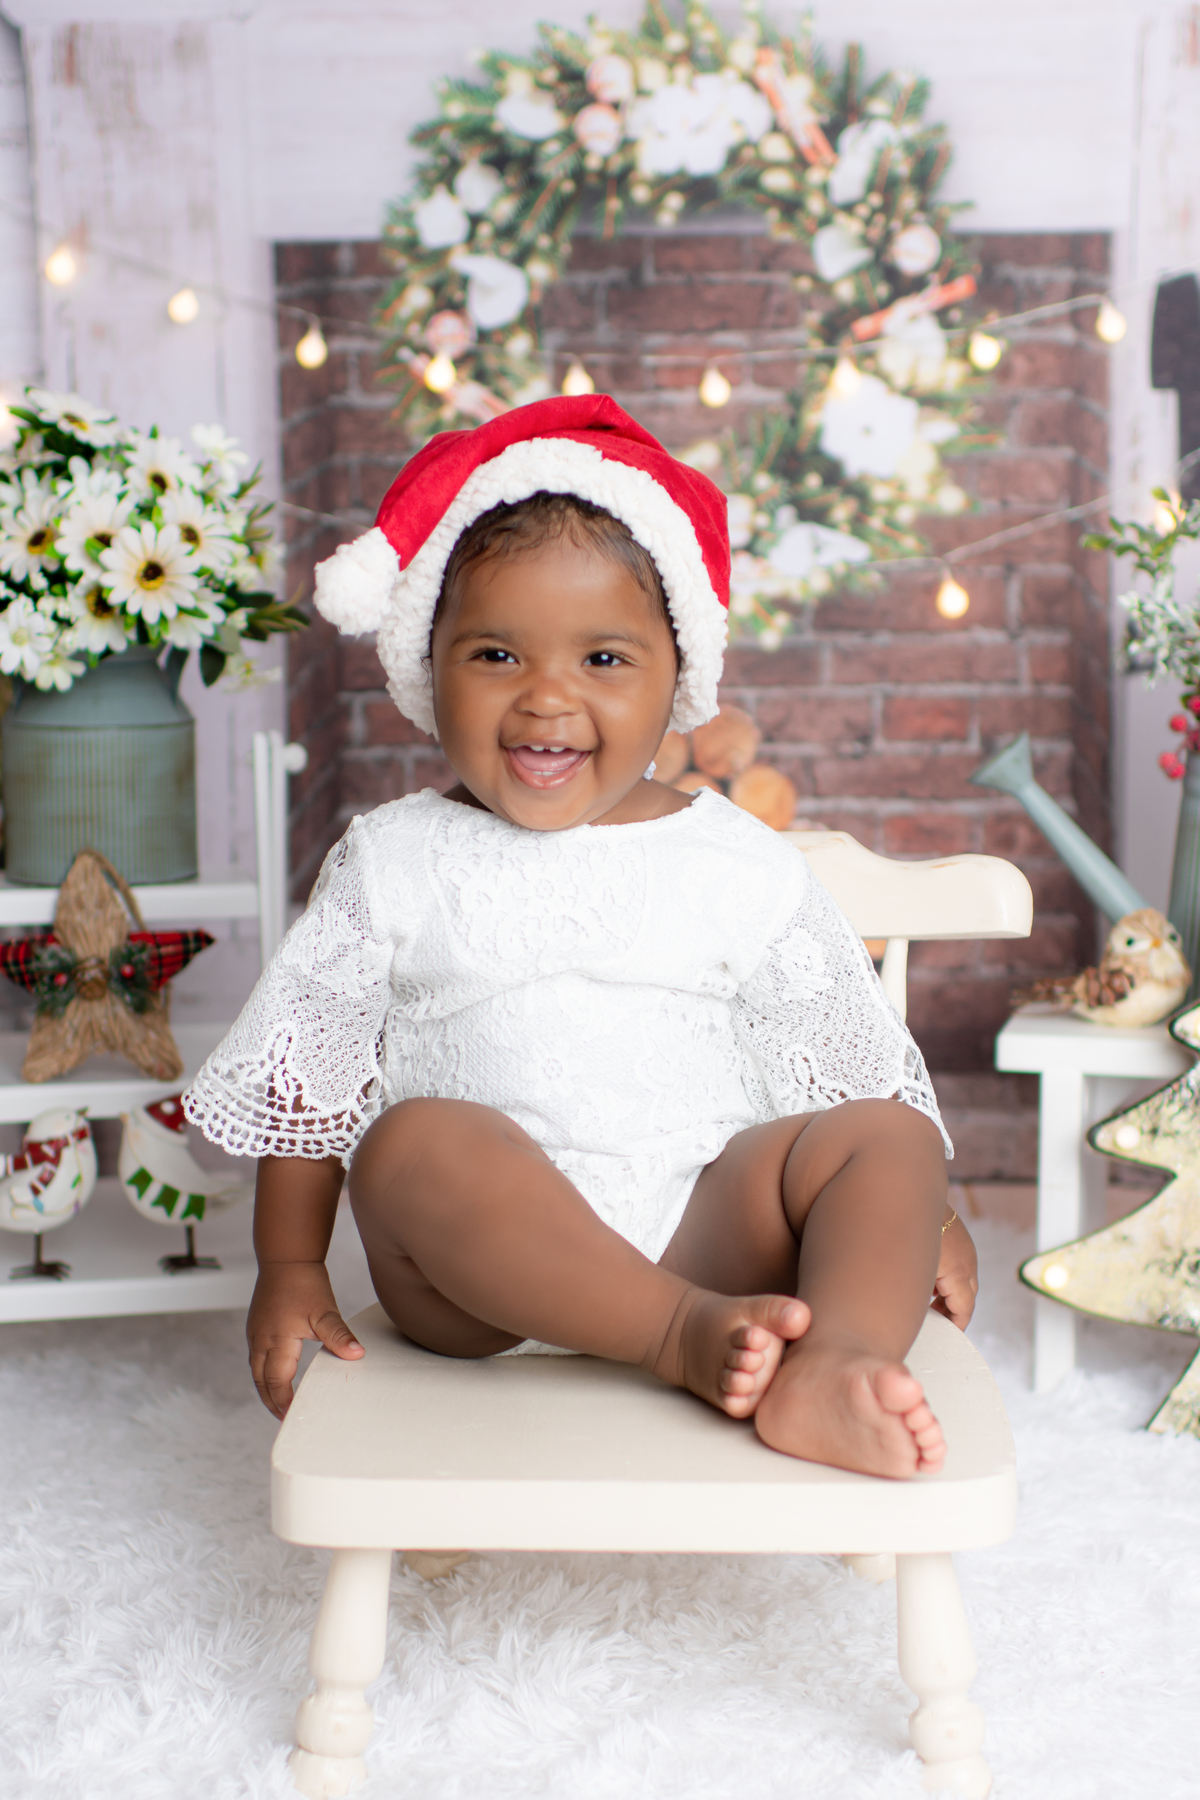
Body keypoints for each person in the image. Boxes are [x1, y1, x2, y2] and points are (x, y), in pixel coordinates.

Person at [185, 395, 977, 1480]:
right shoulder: (396, 856)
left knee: (886, 1131)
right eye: (498, 655)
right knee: (410, 1141)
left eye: (603, 660)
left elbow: (832, 1053)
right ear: (429, 670)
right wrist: (287, 1265)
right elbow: (310, 1077)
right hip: (475, 1282)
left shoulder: (734, 859)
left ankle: (831, 1365)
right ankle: (677, 1337)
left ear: (675, 679)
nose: (546, 699)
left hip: (701, 1228)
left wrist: (922, 1223)